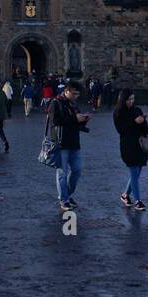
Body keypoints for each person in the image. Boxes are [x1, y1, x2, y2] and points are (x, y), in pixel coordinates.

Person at [49, 80, 90, 211]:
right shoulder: (56, 103)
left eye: (78, 94)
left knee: (77, 171)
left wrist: (84, 121)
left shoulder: (74, 105)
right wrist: (75, 119)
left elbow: (76, 124)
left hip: (74, 143)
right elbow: (55, 121)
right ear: (66, 91)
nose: (76, 96)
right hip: (61, 144)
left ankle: (66, 194)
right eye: (74, 93)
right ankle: (64, 199)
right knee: (62, 173)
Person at [113, 88, 148, 210]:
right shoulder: (118, 112)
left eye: (132, 99)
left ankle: (125, 195)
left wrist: (143, 122)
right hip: (127, 145)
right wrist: (135, 122)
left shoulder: (137, 110)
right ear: (123, 100)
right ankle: (138, 201)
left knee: (137, 172)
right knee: (134, 172)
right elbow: (121, 130)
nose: (131, 101)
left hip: (140, 145)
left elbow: (145, 128)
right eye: (128, 99)